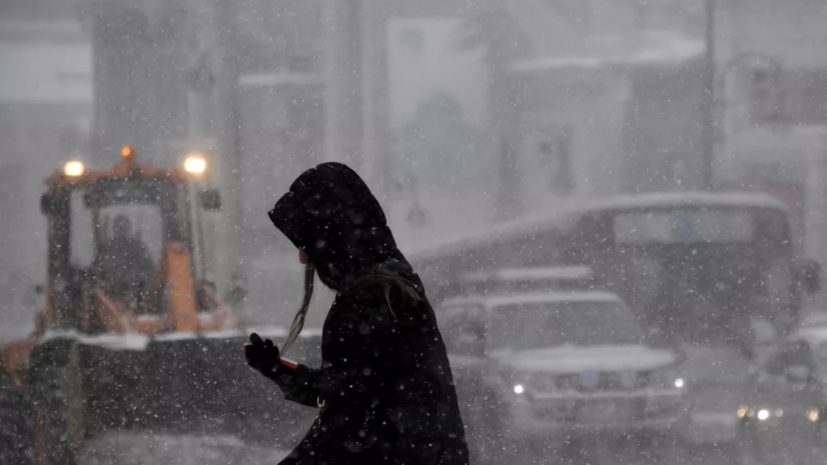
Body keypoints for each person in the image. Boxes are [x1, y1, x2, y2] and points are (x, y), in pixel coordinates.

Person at [244, 162, 469, 465]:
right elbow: (353, 393)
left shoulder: (371, 300)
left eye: (305, 243)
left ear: (333, 237)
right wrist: (279, 370)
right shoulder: (392, 289)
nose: (302, 257)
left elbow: (349, 423)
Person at [99, 215, 154, 299]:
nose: (122, 231)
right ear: (114, 229)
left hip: (136, 293)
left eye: (124, 228)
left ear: (128, 228)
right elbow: (100, 272)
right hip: (111, 295)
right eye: (119, 228)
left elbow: (149, 270)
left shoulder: (138, 247)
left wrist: (134, 280)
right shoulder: (106, 248)